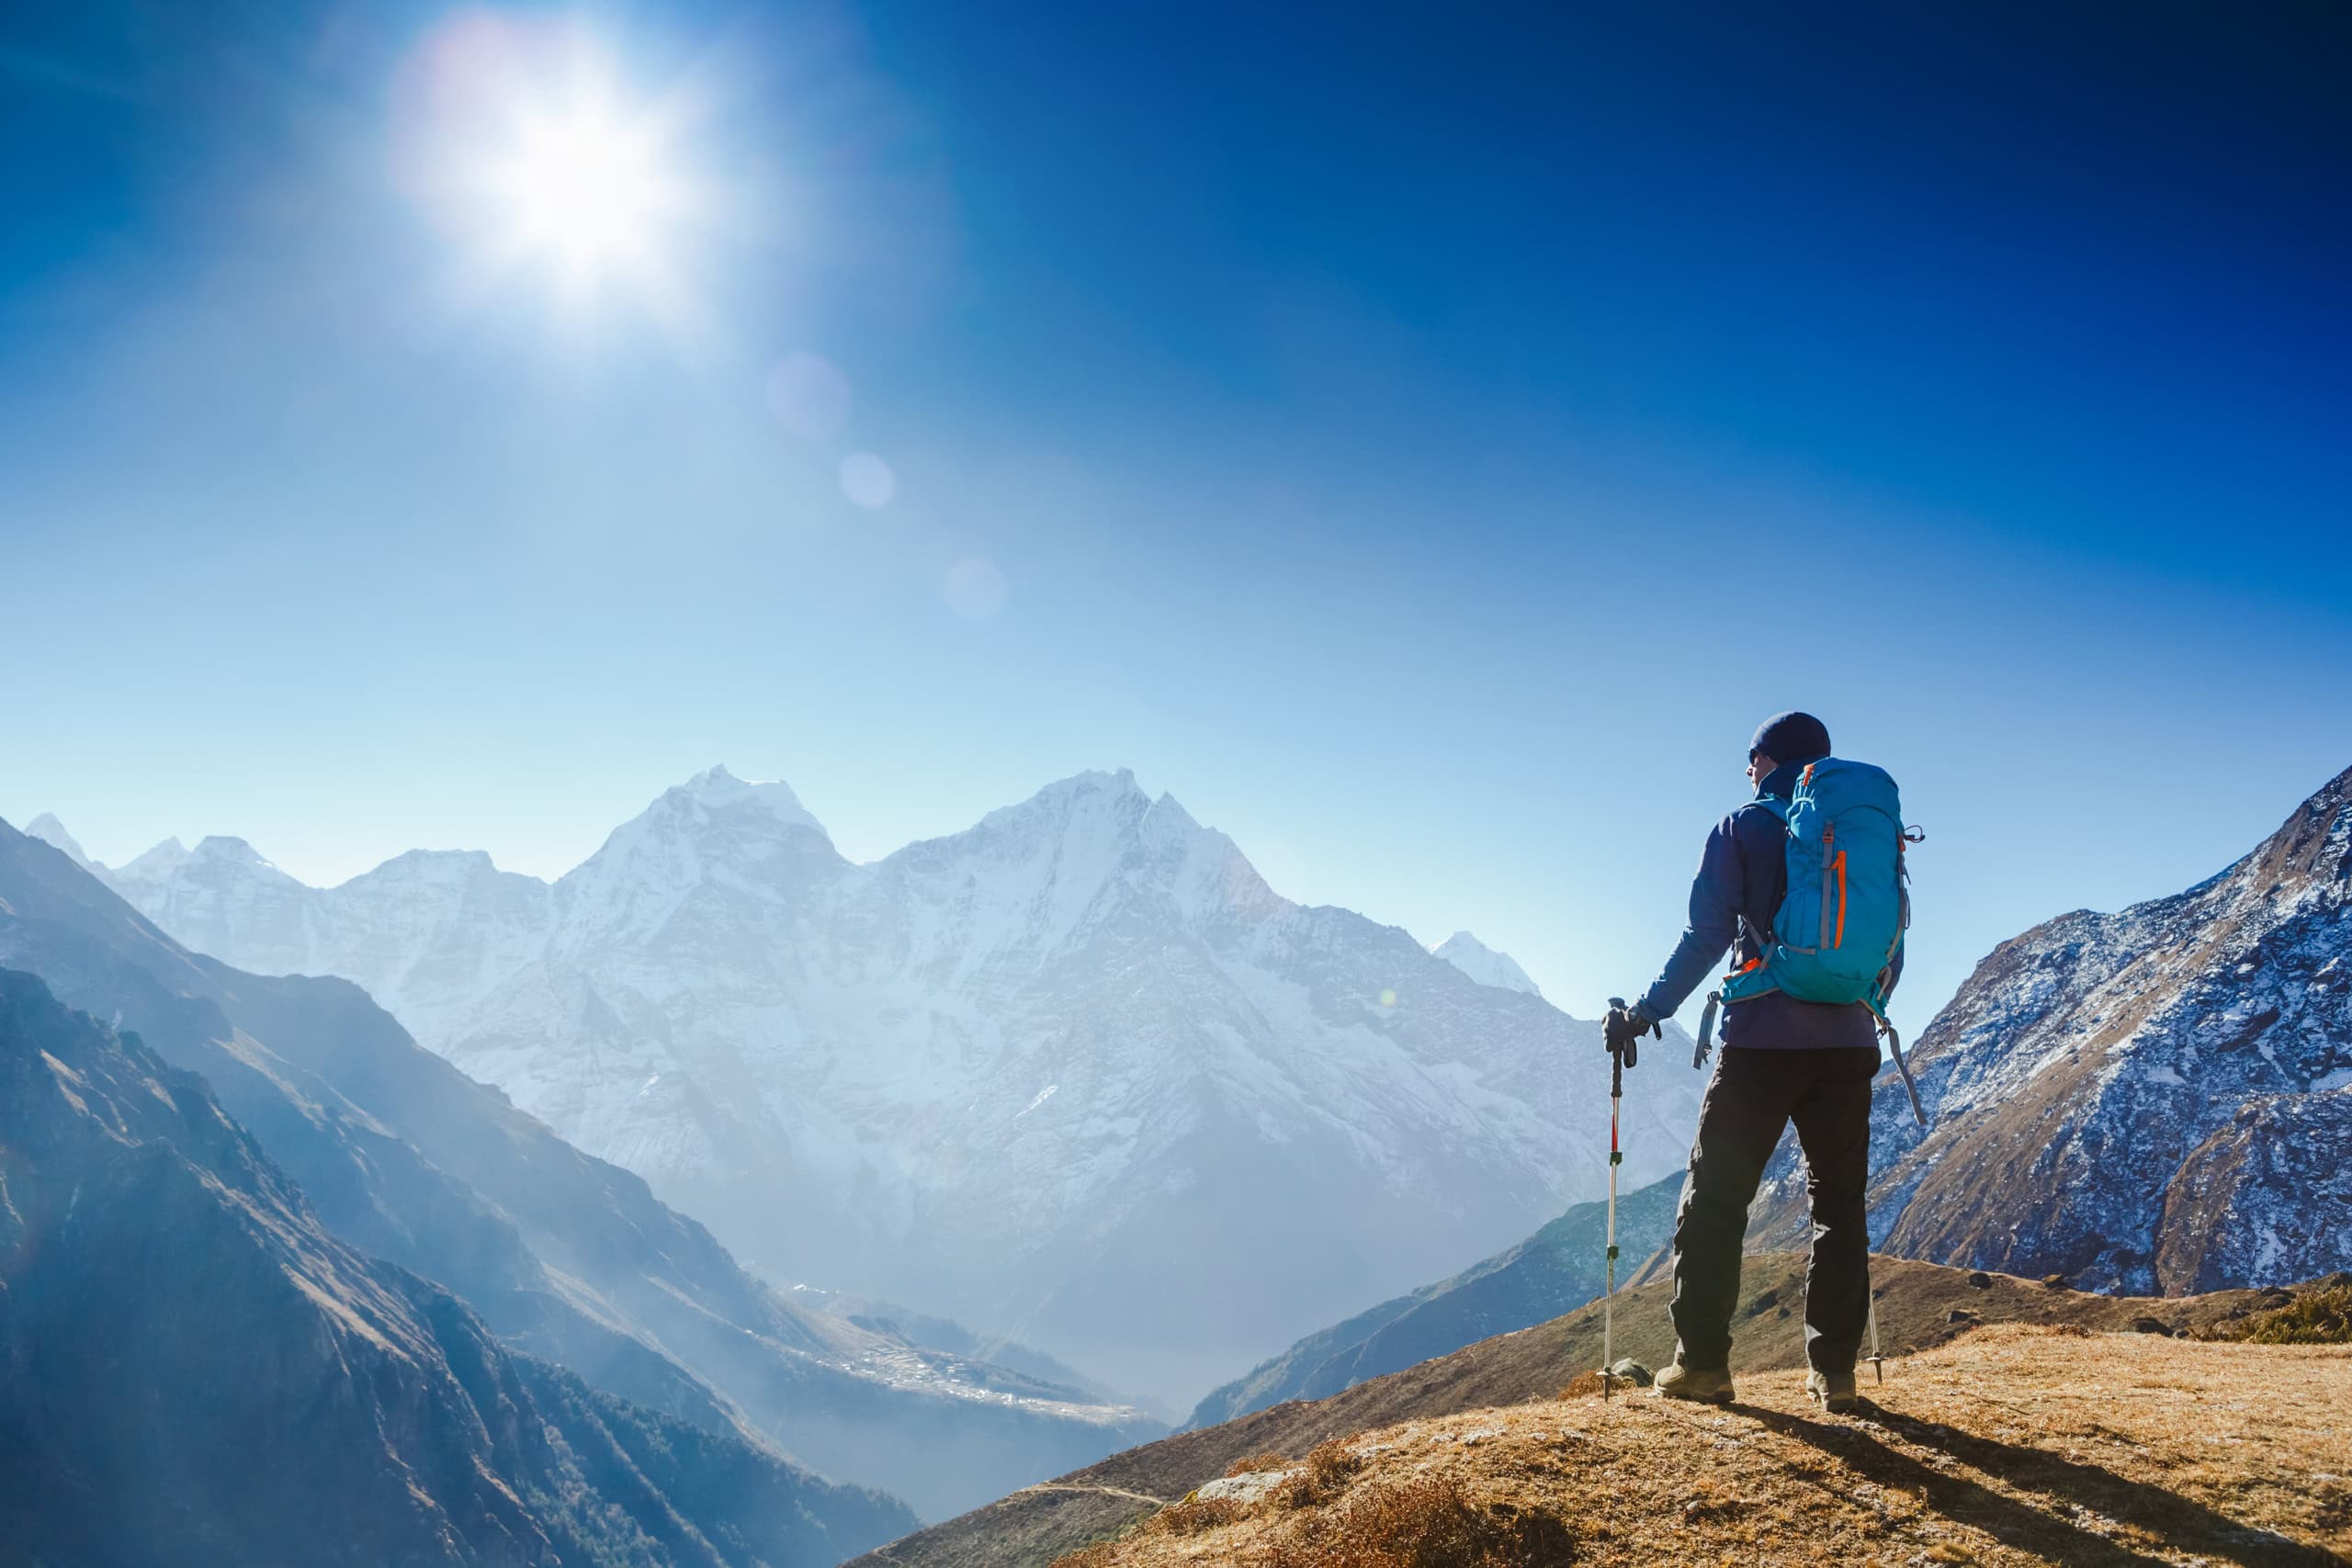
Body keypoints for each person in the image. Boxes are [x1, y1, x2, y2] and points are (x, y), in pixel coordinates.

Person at [1603, 710, 1893, 1415]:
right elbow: (1889, 937)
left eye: (1749, 760)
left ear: (1765, 760)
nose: (1746, 771)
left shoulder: (1744, 826)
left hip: (1762, 1040)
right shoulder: (1862, 827)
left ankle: (1702, 1365)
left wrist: (1646, 1011)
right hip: (1851, 1041)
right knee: (1839, 1207)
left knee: (1716, 1202)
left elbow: (1705, 937)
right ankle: (1837, 1375)